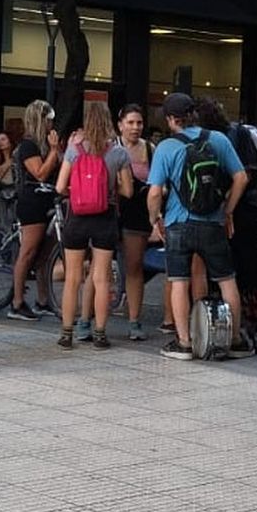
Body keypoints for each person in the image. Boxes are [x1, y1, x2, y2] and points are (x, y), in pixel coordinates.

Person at [147, 92, 253, 360]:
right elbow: (241, 177)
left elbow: (155, 192)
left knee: (179, 281)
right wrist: (227, 211)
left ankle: (184, 343)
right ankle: (235, 339)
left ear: (172, 119)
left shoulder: (166, 148)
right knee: (227, 280)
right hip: (213, 223)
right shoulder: (217, 139)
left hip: (178, 224)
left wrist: (155, 218)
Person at [196, 97, 257, 354]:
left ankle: (256, 328)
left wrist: (227, 207)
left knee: (245, 270)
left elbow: (245, 175)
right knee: (243, 271)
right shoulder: (233, 134)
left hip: (240, 211)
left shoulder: (234, 135)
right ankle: (253, 328)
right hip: (240, 210)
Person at [55, 103, 133, 350]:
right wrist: (108, 188)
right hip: (105, 217)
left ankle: (67, 333)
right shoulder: (118, 153)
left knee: (72, 278)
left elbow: (59, 187)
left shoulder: (74, 149)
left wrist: (79, 191)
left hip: (76, 217)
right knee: (101, 278)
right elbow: (128, 191)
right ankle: (100, 333)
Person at [8, 100, 62, 321]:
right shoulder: (29, 146)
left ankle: (42, 300)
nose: (51, 124)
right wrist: (55, 150)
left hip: (47, 200)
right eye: (48, 120)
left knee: (45, 255)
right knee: (28, 252)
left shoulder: (42, 146)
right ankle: (17, 302)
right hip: (31, 202)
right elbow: (39, 172)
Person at [115, 104, 153, 341]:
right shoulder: (110, 146)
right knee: (98, 268)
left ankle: (134, 320)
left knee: (134, 267)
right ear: (120, 125)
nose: (135, 127)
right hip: (110, 211)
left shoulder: (150, 148)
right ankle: (86, 319)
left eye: (139, 123)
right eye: (130, 122)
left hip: (138, 214)